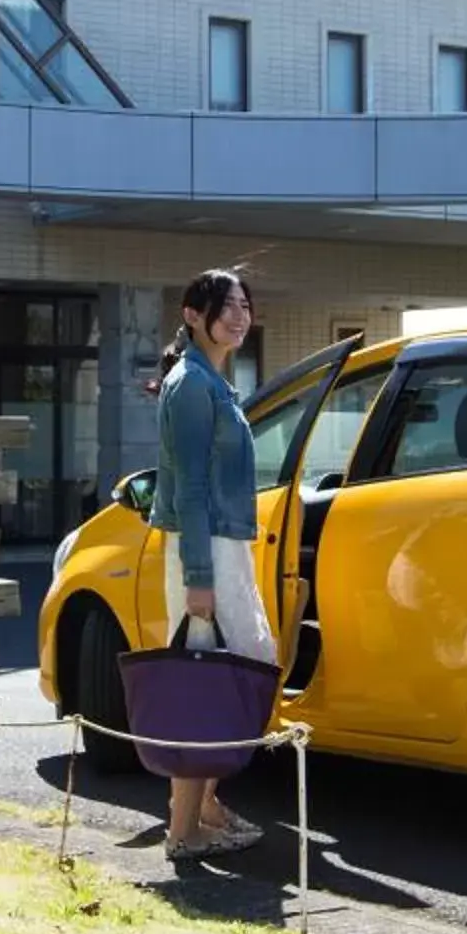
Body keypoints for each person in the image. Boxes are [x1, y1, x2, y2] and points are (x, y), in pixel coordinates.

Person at [147, 267, 271, 860]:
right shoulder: (192, 385)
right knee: (212, 683)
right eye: (226, 305)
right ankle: (184, 830)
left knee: (225, 677)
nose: (239, 315)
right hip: (206, 551)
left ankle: (203, 812)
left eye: (245, 304)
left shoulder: (213, 382)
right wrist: (199, 578)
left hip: (224, 546)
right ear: (193, 315)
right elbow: (191, 490)